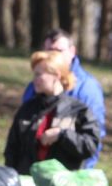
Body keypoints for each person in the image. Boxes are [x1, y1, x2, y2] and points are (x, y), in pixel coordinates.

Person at [5, 50, 102, 175]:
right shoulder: (27, 109)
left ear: (56, 75)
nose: (35, 79)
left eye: (39, 74)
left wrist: (62, 135)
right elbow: (12, 150)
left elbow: (90, 147)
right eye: (34, 75)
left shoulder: (79, 111)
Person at [21, 29, 106, 167]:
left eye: (59, 50)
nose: (53, 55)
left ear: (72, 51)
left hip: (70, 171)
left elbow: (94, 135)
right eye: (48, 50)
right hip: (34, 167)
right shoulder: (35, 85)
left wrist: (83, 171)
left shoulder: (87, 88)